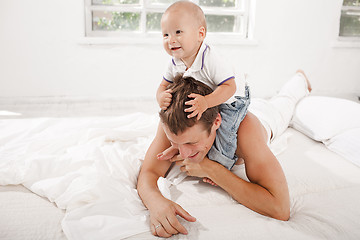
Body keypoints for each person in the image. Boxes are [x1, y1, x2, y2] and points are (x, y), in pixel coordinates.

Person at [137, 70, 312, 238]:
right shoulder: (176, 121)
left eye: (192, 143)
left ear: (217, 122)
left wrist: (211, 169)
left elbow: (279, 208)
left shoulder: (246, 131)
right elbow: (149, 172)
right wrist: (155, 202)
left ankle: (300, 79)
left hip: (265, 116)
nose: (183, 153)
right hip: (223, 104)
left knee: (284, 101)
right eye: (176, 143)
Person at [156, 0, 249, 170]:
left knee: (224, 132)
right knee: (190, 125)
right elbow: (163, 85)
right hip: (207, 96)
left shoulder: (211, 59)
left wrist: (206, 102)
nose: (171, 40)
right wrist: (160, 96)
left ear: (200, 34)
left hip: (230, 98)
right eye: (166, 35)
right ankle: (182, 146)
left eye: (178, 32)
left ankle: (226, 162)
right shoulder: (174, 61)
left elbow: (230, 87)